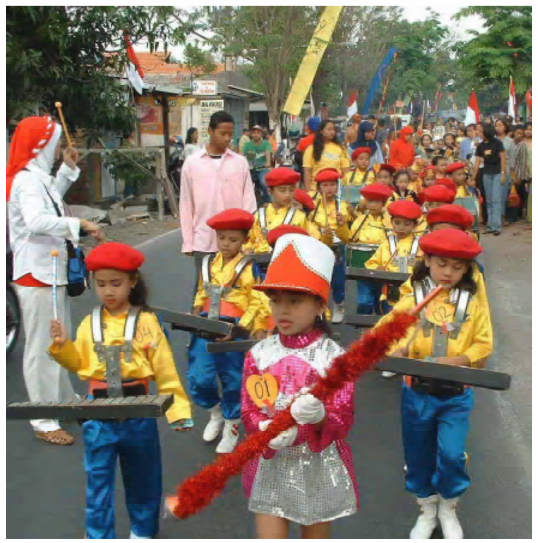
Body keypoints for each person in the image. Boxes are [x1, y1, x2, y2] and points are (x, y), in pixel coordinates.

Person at [48, 242, 192, 539]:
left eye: (116, 284)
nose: (108, 291)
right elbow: (79, 364)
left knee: (143, 478)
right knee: (97, 481)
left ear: (133, 282)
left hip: (138, 412)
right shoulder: (90, 323)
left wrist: (177, 411)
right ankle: (98, 534)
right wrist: (62, 346)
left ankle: (142, 531)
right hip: (97, 415)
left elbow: (165, 370)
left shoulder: (147, 322)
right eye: (101, 284)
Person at [376, 229, 492, 539]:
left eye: (457, 266)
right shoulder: (413, 297)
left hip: (456, 394)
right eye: (441, 263)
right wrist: (395, 348)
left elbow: (484, 343)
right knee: (418, 454)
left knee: (452, 454)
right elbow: (384, 331)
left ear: (467, 269)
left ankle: (449, 508)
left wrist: (460, 361)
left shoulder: (472, 302)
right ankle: (427, 510)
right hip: (416, 393)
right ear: (427, 260)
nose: (448, 272)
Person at [241, 233, 357, 538]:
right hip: (271, 463)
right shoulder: (259, 354)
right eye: (276, 300)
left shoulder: (333, 358)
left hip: (316, 466)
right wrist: (263, 428)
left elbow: (342, 421)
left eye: (295, 300)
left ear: (319, 304)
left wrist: (317, 418)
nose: (283, 310)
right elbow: (249, 410)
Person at [7, 115, 104, 445]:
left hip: (48, 271)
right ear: (41, 144)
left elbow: (53, 203)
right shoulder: (27, 180)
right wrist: (81, 226)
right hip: (36, 273)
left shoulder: (38, 178)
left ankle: (64, 402)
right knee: (40, 347)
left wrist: (66, 169)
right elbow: (36, 220)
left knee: (59, 341)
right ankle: (44, 418)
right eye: (56, 143)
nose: (59, 147)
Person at [189, 209, 268, 454]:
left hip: (234, 328)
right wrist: (193, 313)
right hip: (205, 323)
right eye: (222, 238)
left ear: (244, 239)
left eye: (233, 239)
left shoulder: (248, 267)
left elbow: (258, 300)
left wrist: (240, 327)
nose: (226, 244)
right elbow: (202, 291)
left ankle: (232, 424)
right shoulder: (207, 262)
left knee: (232, 379)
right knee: (198, 377)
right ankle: (216, 412)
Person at [179, 110, 257, 304]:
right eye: (223, 133)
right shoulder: (192, 163)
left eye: (230, 134)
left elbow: (249, 202)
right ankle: (200, 331)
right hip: (203, 239)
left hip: (235, 240)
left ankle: (233, 330)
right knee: (203, 290)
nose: (227, 138)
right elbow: (186, 204)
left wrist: (249, 240)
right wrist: (188, 241)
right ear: (210, 131)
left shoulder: (239, 163)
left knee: (235, 291)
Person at [365, 200, 423, 325]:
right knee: (387, 326)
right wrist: (377, 267)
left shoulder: (421, 245)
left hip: (413, 295)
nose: (401, 227)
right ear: (391, 222)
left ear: (415, 225)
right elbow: (371, 263)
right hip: (389, 294)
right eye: (397, 223)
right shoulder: (386, 244)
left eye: (407, 224)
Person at [307, 168, 352, 323]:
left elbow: (348, 234)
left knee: (338, 278)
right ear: (319, 188)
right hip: (318, 245)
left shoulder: (343, 205)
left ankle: (339, 304)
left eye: (332, 184)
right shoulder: (312, 205)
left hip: (338, 246)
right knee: (319, 277)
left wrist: (343, 223)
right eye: (325, 185)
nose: (329, 189)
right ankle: (321, 308)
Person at [244, 168, 316, 254]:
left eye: (292, 190)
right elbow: (249, 240)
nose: (288, 195)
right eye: (282, 190)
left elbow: (312, 239)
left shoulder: (299, 216)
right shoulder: (258, 215)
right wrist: (247, 248)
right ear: (270, 191)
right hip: (260, 262)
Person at [347, 184, 394, 315]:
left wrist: (386, 216)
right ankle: (363, 328)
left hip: (385, 266)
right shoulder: (360, 220)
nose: (372, 205)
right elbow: (350, 239)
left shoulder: (391, 220)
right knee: (364, 302)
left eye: (377, 202)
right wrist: (341, 228)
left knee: (385, 303)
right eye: (369, 201)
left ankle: (382, 331)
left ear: (384, 203)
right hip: (363, 266)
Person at [472, 123, 506, 235]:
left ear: (487, 132)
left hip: (497, 173)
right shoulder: (480, 146)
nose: (478, 133)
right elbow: (477, 163)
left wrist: (503, 173)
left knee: (496, 200)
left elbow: (503, 159)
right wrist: (473, 177)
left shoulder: (497, 143)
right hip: (486, 174)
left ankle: (497, 226)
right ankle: (490, 225)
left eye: (481, 131)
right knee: (489, 200)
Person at [302, 120, 351, 191]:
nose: (332, 132)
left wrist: (346, 190)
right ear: (321, 131)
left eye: (333, 130)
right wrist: (308, 192)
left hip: (336, 190)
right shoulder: (311, 149)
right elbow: (307, 172)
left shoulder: (341, 148)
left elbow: (346, 171)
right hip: (316, 190)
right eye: (329, 129)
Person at [242, 124, 273, 204]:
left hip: (262, 168)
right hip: (250, 169)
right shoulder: (247, 145)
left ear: (261, 134)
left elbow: (267, 153)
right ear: (251, 134)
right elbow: (241, 155)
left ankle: (267, 199)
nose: (256, 134)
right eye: (254, 132)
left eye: (258, 133)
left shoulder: (266, 143)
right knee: (242, 184)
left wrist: (268, 162)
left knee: (263, 182)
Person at [495, 118, 515, 222]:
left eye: (500, 125)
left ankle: (502, 216)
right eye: (496, 126)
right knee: (493, 195)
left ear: (505, 127)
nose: (498, 128)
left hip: (505, 169)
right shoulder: (491, 140)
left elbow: (512, 158)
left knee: (503, 194)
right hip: (493, 168)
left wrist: (512, 173)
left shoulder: (510, 141)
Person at [511, 124, 531, 221]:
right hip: (509, 172)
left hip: (519, 174)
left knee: (518, 195)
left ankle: (516, 215)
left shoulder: (522, 146)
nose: (519, 135)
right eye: (518, 133)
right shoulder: (510, 143)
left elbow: (522, 162)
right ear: (514, 133)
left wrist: (519, 176)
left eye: (521, 134)